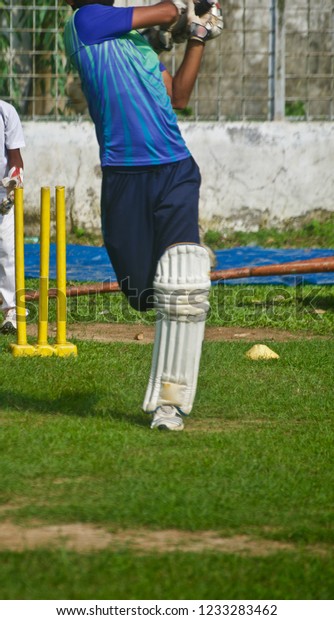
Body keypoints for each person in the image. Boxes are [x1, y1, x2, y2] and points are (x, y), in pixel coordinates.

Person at [63, 0, 222, 430]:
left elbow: (180, 98)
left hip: (174, 168)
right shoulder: (85, 22)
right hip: (124, 176)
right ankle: (182, 250)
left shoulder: (140, 47)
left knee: (180, 285)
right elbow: (166, 8)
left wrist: (198, 39)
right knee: (140, 293)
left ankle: (170, 405)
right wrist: (190, 9)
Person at [0, 100, 25, 334]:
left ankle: (10, 312)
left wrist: (15, 177)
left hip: (1, 192)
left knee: (8, 250)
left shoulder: (6, 112)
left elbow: (15, 157)